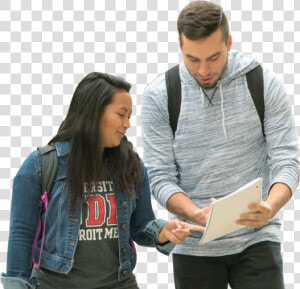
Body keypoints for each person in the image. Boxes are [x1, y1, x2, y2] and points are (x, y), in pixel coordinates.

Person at [142, 1, 300, 289]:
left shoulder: (263, 83)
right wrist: (193, 212)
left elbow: (287, 161)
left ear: (228, 42)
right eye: (192, 59)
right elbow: (160, 177)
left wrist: (270, 206)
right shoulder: (159, 96)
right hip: (195, 245)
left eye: (214, 57)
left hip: (257, 239)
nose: (203, 70)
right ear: (179, 44)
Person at [1, 72, 203, 289]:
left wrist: (164, 232)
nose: (127, 124)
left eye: (129, 116)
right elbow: (22, 236)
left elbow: (141, 226)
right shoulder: (40, 166)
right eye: (121, 114)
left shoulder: (131, 166)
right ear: (94, 112)